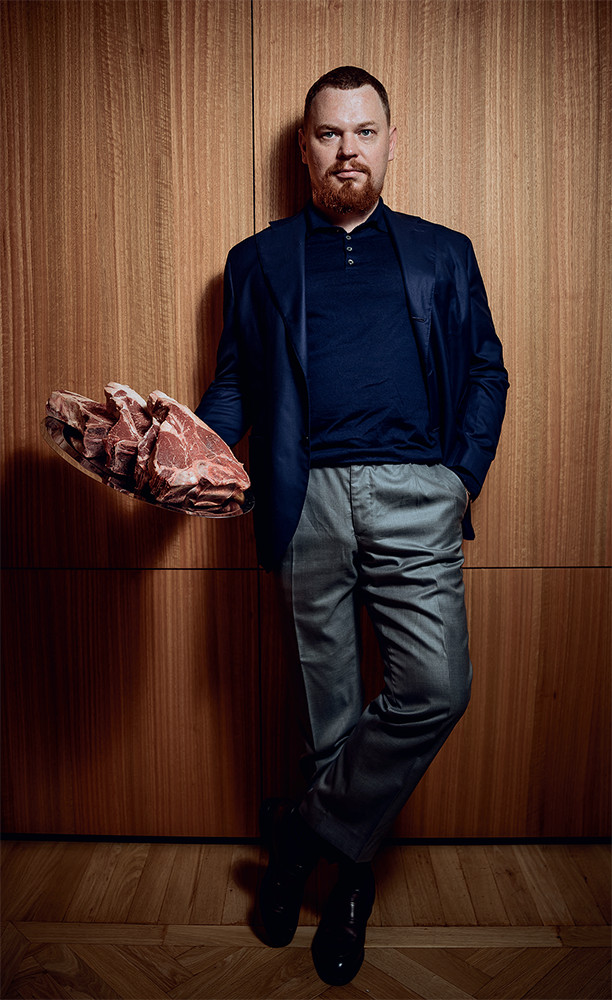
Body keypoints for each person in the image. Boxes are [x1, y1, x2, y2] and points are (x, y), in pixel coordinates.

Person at [196, 66, 508, 987]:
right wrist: (184, 454)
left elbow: (486, 371)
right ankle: (351, 885)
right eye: (329, 134)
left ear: (390, 142)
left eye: (364, 132)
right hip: (304, 499)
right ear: (304, 149)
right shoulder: (256, 260)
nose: (347, 151)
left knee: (437, 686)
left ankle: (299, 835)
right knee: (325, 713)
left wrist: (458, 479)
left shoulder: (444, 253)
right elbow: (235, 383)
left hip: (418, 492)